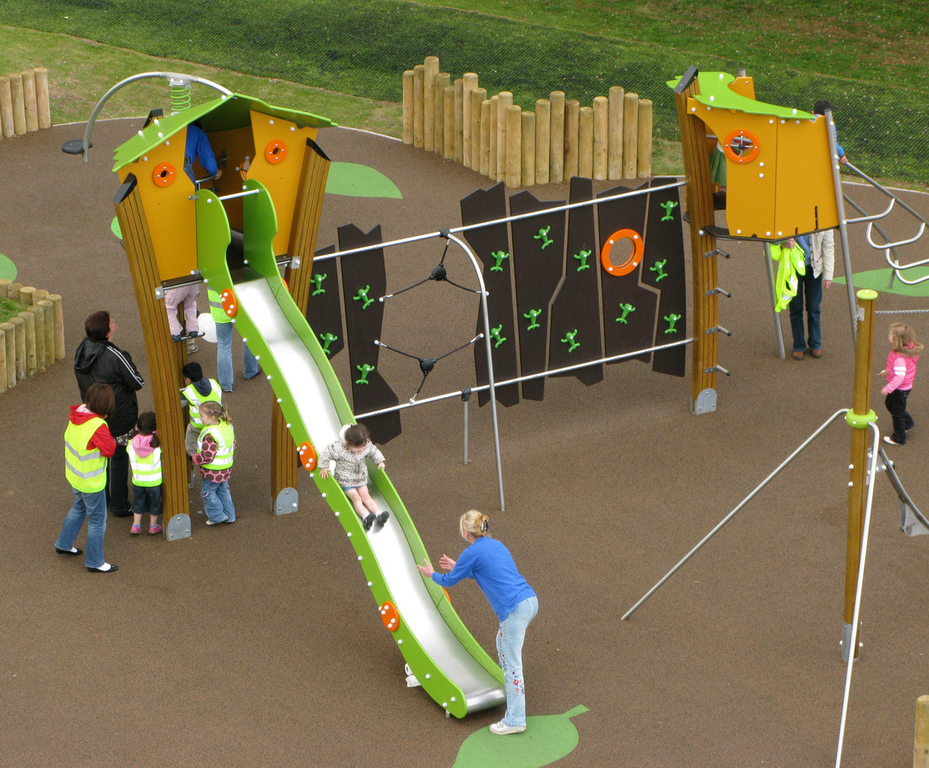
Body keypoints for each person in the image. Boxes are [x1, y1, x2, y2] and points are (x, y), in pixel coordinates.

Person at [417, 510, 538, 735]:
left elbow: (448, 581)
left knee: (513, 666)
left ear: (465, 532)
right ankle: (509, 690)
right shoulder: (496, 544)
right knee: (501, 642)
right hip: (529, 600)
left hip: (513, 609)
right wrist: (460, 567)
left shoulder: (471, 552)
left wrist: (430, 574)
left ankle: (515, 720)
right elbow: (490, 572)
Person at [74, 310, 144, 517]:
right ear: (107, 332)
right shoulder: (115, 356)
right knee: (120, 458)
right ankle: (120, 505)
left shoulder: (82, 349)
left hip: (95, 416)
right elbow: (137, 382)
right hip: (120, 417)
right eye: (113, 322)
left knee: (101, 457)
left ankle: (103, 499)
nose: (116, 324)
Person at [55, 382, 119, 573]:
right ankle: (95, 562)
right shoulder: (98, 425)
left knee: (78, 508)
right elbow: (109, 450)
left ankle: (64, 544)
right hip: (92, 482)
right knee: (97, 520)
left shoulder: (77, 416)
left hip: (75, 476)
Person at [318, 423, 389, 531]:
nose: (361, 450)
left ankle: (379, 514)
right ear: (348, 443)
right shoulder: (339, 449)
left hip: (360, 477)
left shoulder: (366, 445)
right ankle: (365, 517)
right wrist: (324, 467)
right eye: (357, 448)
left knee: (366, 495)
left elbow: (374, 451)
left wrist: (380, 461)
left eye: (363, 447)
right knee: (356, 498)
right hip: (345, 480)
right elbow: (326, 454)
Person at [783, 230, 835, 360]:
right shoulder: (788, 215)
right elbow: (775, 240)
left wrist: (828, 275)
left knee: (813, 307)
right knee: (795, 308)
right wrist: (785, 244)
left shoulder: (823, 220)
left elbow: (828, 247)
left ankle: (815, 343)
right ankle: (799, 345)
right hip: (793, 268)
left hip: (814, 268)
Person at [207, 287, 259, 392]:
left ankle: (226, 384)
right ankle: (251, 371)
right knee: (248, 338)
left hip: (220, 310)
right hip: (241, 305)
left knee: (223, 345)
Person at [193, 401, 236, 525]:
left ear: (212, 417)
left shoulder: (211, 434)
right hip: (226, 467)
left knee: (208, 493)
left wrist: (197, 458)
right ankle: (230, 515)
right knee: (223, 490)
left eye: (201, 415)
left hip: (212, 471)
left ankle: (217, 516)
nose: (199, 418)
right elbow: (233, 444)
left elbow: (208, 456)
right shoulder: (227, 426)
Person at [880, 323, 923, 446]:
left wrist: (888, 388)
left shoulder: (900, 358)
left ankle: (899, 437)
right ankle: (908, 422)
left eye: (890, 335)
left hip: (900, 389)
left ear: (896, 340)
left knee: (897, 411)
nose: (888, 336)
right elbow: (892, 367)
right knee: (892, 405)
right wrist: (886, 371)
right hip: (901, 387)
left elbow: (900, 377)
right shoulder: (902, 352)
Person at [128, 411, 163, 535]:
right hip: (154, 482)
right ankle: (153, 526)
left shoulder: (131, 443)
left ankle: (136, 525)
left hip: (138, 480)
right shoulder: (157, 443)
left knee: (138, 502)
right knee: (155, 503)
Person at [181, 361, 222, 457]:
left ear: (187, 379)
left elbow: (179, 404)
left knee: (190, 433)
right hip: (217, 421)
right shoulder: (213, 383)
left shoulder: (189, 391)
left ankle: (194, 456)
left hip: (199, 426)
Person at [164, 284, 202, 353]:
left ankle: (175, 332)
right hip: (193, 283)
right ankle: (193, 329)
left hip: (178, 285)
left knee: (169, 308)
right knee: (191, 304)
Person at [184, 120, 223, 185]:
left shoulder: (179, 129)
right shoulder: (199, 133)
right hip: (182, 165)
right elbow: (207, 158)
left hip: (165, 162)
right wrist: (215, 172)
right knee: (189, 193)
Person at [813, 99, 849, 165]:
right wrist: (842, 155)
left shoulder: (807, 121)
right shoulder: (829, 124)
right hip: (821, 158)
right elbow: (834, 144)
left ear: (813, 112)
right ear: (829, 114)